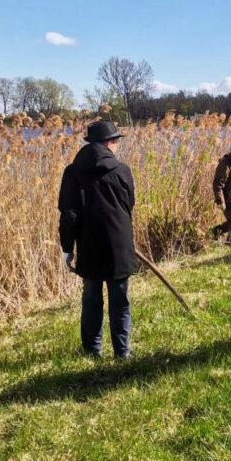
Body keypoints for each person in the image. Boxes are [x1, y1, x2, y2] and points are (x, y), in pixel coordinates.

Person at [58, 120, 138, 359]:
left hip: (89, 244)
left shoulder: (72, 172)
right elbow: (129, 205)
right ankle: (122, 353)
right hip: (119, 244)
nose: (117, 146)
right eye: (116, 141)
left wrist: (67, 248)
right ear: (108, 143)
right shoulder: (122, 170)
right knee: (120, 300)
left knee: (91, 299)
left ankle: (92, 352)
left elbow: (68, 214)